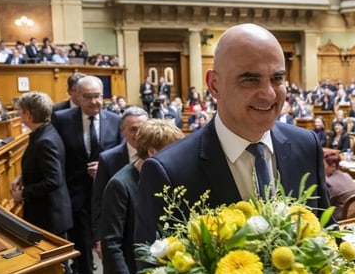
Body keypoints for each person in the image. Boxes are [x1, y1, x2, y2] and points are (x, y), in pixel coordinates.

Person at [135, 23, 329, 248]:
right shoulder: (168, 172)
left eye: (277, 79)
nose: (268, 94)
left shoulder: (306, 145)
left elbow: (324, 230)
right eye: (250, 80)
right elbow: (152, 269)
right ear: (214, 85)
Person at [99, 119, 184, 274]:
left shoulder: (164, 177)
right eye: (172, 151)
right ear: (152, 152)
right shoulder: (120, 184)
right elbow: (111, 244)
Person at [52, 76, 123, 274]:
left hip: (107, 195)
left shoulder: (115, 120)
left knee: (112, 245)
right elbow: (56, 155)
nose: (95, 102)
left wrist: (104, 169)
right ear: (77, 97)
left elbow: (121, 156)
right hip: (77, 195)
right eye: (89, 97)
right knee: (82, 248)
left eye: (98, 96)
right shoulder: (61, 120)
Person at [10, 92, 77, 274]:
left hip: (51, 214)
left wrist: (24, 193)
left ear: (28, 114)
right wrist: (23, 176)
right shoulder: (43, 133)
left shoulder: (45, 139)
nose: (20, 116)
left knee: (59, 268)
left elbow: (53, 180)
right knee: (57, 267)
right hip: (49, 212)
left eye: (21, 112)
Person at [91, 106, 149, 248]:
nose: (139, 134)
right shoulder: (108, 159)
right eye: (133, 129)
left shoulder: (159, 152)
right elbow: (99, 200)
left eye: (143, 129)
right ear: (122, 131)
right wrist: (99, 238)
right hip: (121, 229)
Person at [323, 150, 355, 221]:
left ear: (333, 166)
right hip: (352, 216)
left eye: (322, 165)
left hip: (336, 220)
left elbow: (323, 205)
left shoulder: (329, 183)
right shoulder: (347, 175)